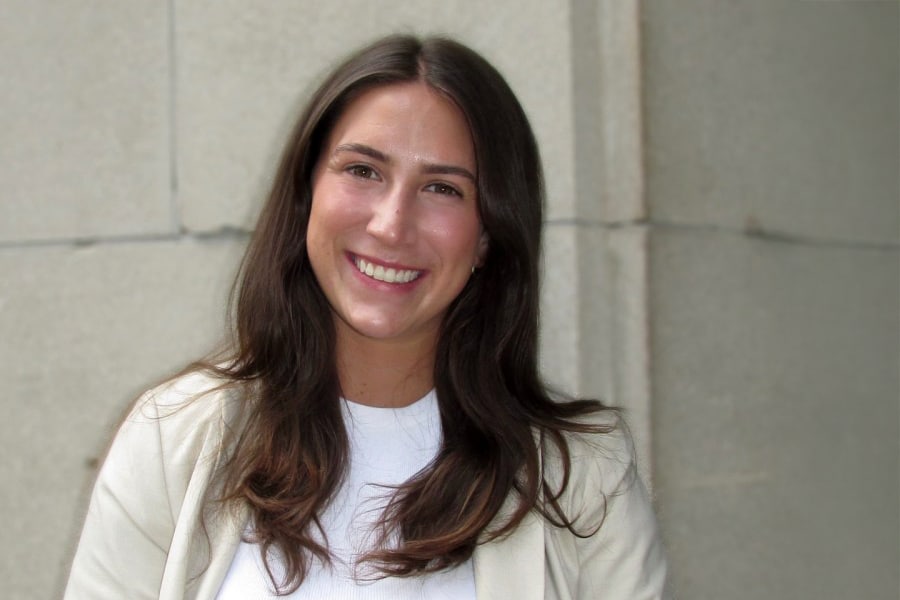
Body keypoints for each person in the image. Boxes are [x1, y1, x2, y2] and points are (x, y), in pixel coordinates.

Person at [64, 34, 669, 599]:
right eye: (363, 171)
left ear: (489, 235)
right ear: (307, 194)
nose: (390, 224)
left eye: (443, 189)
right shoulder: (174, 435)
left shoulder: (585, 478)